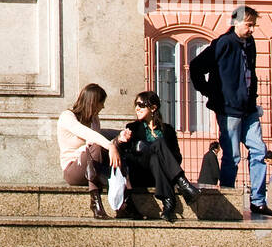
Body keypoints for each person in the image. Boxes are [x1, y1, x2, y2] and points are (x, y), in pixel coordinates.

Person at [188, 5, 272, 217]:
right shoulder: (223, 43)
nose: (252, 29)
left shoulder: (250, 43)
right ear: (236, 22)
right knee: (232, 156)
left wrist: (251, 97)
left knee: (259, 151)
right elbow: (196, 66)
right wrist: (211, 93)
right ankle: (227, 196)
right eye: (249, 25)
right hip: (229, 110)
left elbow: (249, 72)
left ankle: (257, 200)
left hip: (249, 109)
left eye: (253, 25)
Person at [116, 91, 200, 223]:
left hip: (162, 174)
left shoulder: (168, 130)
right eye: (135, 105)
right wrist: (126, 143)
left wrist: (162, 156)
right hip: (141, 173)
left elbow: (177, 157)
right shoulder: (132, 128)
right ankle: (183, 183)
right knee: (158, 144)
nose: (137, 108)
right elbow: (127, 157)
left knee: (156, 157)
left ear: (153, 108)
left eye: (141, 105)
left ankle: (168, 205)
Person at [56, 83, 122, 220]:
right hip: (73, 170)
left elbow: (93, 141)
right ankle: (95, 201)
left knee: (106, 148)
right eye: (101, 103)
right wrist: (111, 146)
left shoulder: (94, 120)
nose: (103, 107)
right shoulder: (67, 117)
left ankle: (125, 204)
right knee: (96, 147)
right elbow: (87, 135)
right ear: (92, 102)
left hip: (91, 169)